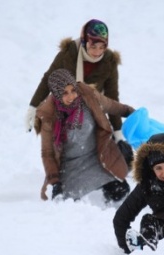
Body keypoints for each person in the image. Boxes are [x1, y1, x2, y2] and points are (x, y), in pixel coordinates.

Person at [25, 19, 133, 165]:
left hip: (90, 106)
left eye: (102, 47)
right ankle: (61, 169)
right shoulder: (68, 54)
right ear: (84, 41)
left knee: (95, 133)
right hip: (63, 106)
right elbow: (48, 80)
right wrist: (33, 106)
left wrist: (118, 132)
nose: (97, 52)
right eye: (93, 46)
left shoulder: (109, 62)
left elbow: (111, 96)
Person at [34, 68, 134, 202]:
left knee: (120, 192)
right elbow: (47, 153)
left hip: (98, 156)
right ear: (56, 94)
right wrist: (55, 181)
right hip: (70, 167)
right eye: (64, 93)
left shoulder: (87, 96)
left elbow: (111, 106)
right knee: (72, 206)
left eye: (73, 90)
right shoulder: (49, 116)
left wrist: (132, 113)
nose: (71, 96)